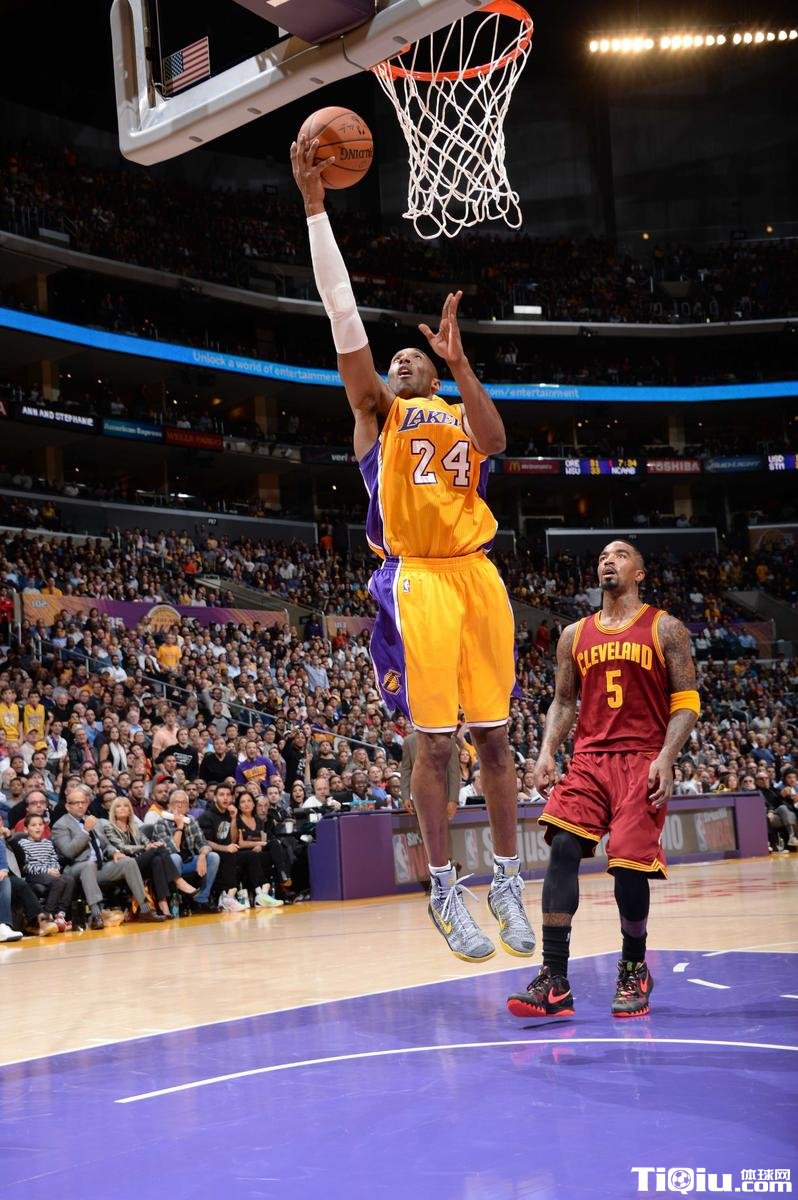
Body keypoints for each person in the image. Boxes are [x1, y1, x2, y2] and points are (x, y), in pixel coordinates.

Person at [292, 129, 535, 964]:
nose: (397, 362)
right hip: (419, 580)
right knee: (435, 742)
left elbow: (496, 441)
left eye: (409, 356)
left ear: (430, 370)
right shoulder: (379, 414)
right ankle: (442, 885)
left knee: (495, 737)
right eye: (391, 359)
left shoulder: (458, 409)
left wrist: (461, 365)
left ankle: (508, 879)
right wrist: (316, 211)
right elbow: (344, 319)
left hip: (479, 576)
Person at [506, 540, 700, 1021]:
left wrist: (667, 757)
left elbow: (687, 702)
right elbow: (563, 701)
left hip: (642, 759)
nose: (608, 560)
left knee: (629, 866)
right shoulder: (574, 635)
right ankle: (554, 979)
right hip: (589, 759)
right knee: (562, 846)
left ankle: (634, 966)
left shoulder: (666, 627)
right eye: (601, 557)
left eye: (620, 555)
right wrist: (547, 751)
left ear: (640, 573)